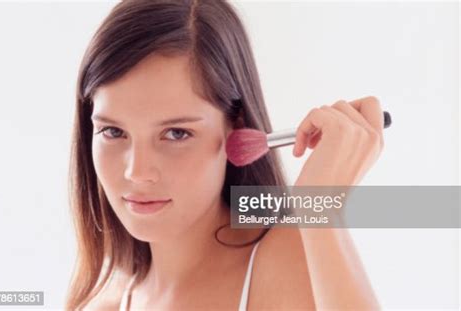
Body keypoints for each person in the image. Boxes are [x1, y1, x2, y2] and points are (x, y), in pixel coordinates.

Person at [66, 0, 383, 310]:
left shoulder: (284, 265)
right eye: (113, 132)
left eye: (176, 133)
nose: (137, 171)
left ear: (238, 130)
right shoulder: (105, 303)